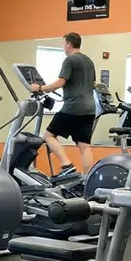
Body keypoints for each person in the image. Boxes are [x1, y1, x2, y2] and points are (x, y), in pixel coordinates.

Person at [30, 32, 96, 176]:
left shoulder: (70, 60)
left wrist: (40, 88)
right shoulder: (89, 61)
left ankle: (66, 164)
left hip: (73, 108)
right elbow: (93, 84)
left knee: (48, 135)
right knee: (84, 146)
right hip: (90, 109)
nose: (64, 47)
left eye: (64, 44)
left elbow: (60, 82)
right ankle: (87, 180)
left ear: (69, 44)